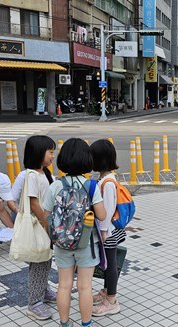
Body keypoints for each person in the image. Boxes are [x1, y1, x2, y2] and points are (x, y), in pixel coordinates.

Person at [41, 138, 106, 327]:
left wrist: (59, 233)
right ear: (87, 160)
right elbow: (101, 215)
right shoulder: (91, 186)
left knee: (64, 285)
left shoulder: (56, 185)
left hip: (62, 243)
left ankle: (64, 323)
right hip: (86, 243)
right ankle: (86, 324)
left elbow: (46, 215)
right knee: (84, 286)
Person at [10, 136, 58, 320]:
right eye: (50, 152)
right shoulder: (31, 175)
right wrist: (47, 224)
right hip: (39, 224)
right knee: (39, 262)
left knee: (44, 260)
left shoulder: (44, 173)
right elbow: (34, 203)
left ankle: (43, 290)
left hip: (43, 223)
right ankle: (34, 303)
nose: (53, 156)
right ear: (39, 153)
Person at [90, 139, 126, 317]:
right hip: (107, 230)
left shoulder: (108, 183)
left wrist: (103, 233)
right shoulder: (105, 179)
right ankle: (107, 291)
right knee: (107, 263)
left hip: (108, 232)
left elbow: (108, 210)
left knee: (110, 264)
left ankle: (111, 300)